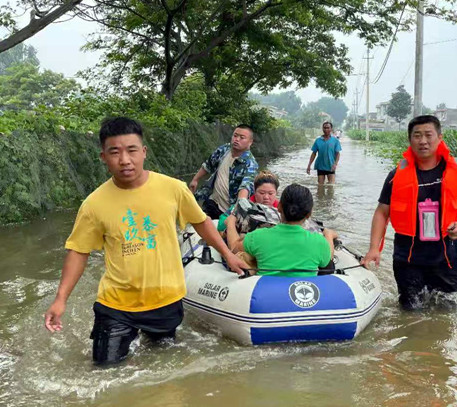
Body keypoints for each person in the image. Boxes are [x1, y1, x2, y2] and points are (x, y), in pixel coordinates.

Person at [43, 117, 248, 365]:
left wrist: (228, 255)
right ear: (103, 157)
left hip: (167, 300)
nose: (125, 160)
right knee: (105, 370)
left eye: (131, 150)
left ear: (143, 152)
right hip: (116, 305)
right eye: (115, 152)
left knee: (163, 365)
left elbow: (201, 222)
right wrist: (61, 299)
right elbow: (79, 252)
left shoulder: (173, 189)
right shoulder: (93, 204)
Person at [361, 115, 457, 310]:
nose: (423, 141)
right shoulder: (396, 176)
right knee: (409, 314)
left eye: (428, 135)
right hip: (408, 258)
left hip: (446, 257)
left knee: (447, 314)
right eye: (417, 135)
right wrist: (374, 248)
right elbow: (382, 212)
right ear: (410, 140)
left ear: (440, 137)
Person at [228, 183, 338, 277]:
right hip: (303, 296)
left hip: (265, 294)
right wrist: (328, 235)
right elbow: (328, 258)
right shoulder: (318, 241)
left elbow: (233, 248)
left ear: (279, 207)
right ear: (309, 214)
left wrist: (231, 222)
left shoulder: (258, 236)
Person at [190, 125, 259, 219]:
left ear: (250, 142)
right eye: (235, 135)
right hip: (212, 200)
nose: (237, 139)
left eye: (242, 137)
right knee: (202, 224)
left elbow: (246, 186)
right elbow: (208, 164)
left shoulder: (250, 164)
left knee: (220, 232)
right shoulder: (224, 150)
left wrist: (238, 207)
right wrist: (195, 179)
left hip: (228, 210)